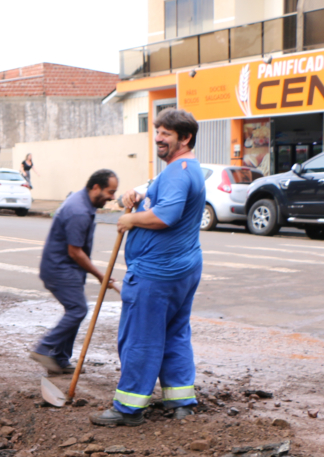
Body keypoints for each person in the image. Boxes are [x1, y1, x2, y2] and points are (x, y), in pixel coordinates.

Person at [90, 109, 204, 427]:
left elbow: (166, 216)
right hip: (183, 268)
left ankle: (128, 408)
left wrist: (129, 218)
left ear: (185, 138)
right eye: (157, 131)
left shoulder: (178, 171)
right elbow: (160, 196)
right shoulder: (185, 169)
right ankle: (181, 400)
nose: (158, 137)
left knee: (140, 338)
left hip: (157, 274)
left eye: (166, 133)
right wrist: (139, 195)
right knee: (175, 334)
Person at [30, 169, 119, 375]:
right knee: (78, 310)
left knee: (75, 310)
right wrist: (100, 276)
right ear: (95, 187)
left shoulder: (83, 202)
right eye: (110, 192)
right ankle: (44, 348)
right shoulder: (78, 210)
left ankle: (60, 358)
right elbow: (75, 252)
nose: (112, 197)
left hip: (68, 267)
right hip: (60, 268)